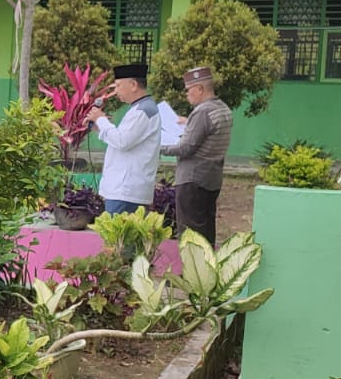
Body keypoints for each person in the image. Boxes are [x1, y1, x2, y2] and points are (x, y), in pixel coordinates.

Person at [162, 65, 235, 246]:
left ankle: (193, 272)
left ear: (200, 89)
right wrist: (189, 124)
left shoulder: (202, 112)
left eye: (189, 90)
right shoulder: (222, 108)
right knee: (206, 230)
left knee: (190, 235)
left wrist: (159, 146)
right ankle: (207, 271)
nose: (187, 94)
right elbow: (210, 133)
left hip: (192, 180)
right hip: (211, 178)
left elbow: (186, 148)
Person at [88, 62, 163, 215]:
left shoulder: (144, 110)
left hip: (126, 191)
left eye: (118, 86)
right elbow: (122, 139)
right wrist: (98, 126)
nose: (116, 91)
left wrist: (101, 119)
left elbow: (122, 142)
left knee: (118, 238)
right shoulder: (139, 108)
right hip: (124, 189)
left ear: (133, 84)